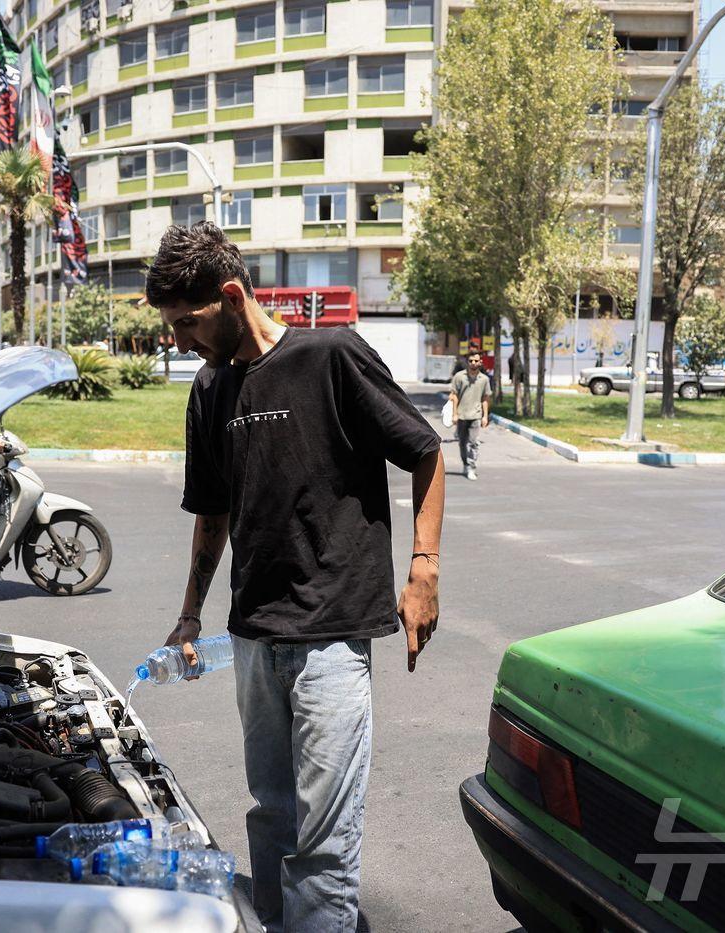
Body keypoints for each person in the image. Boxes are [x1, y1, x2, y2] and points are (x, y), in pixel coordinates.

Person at [147, 221, 445, 933]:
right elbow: (212, 511)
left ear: (229, 294)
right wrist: (189, 616)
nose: (180, 340)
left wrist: (423, 571)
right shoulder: (210, 388)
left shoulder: (331, 356)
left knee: (324, 845)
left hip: (331, 639)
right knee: (271, 816)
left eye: (187, 323)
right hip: (253, 638)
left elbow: (426, 452)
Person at [449, 350, 492, 480]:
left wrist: (485, 416)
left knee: (473, 443)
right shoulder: (459, 377)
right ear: (467, 362)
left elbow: (485, 398)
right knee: (462, 443)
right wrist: (454, 414)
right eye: (471, 361)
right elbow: (454, 396)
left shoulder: (484, 379)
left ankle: (471, 467)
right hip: (462, 415)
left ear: (480, 362)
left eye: (476, 361)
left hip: (476, 415)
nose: (473, 363)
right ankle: (465, 464)